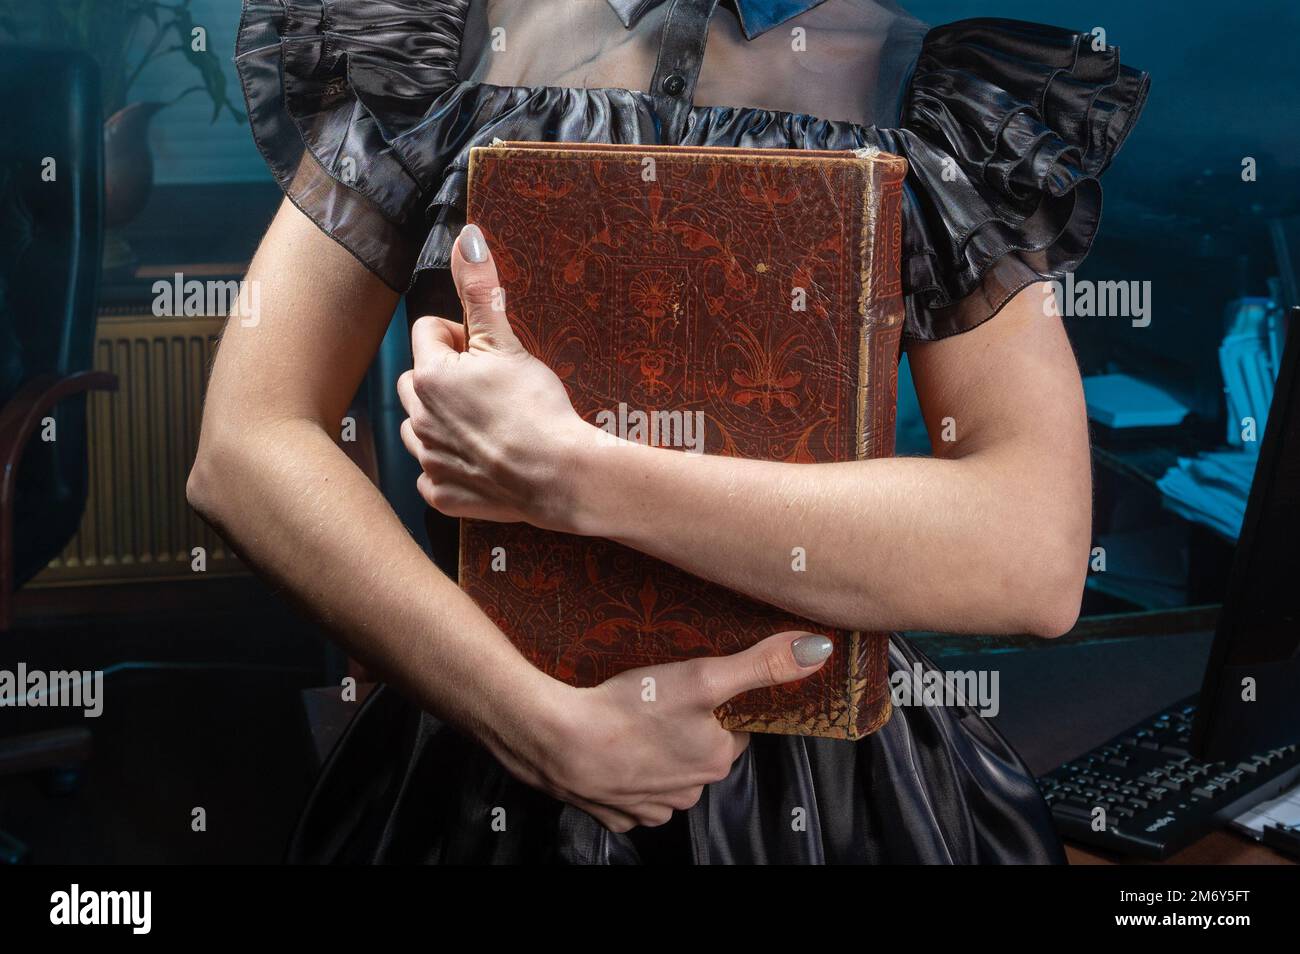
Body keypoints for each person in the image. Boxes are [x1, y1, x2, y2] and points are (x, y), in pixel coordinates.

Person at [189, 0, 1149, 862]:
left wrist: (574, 475)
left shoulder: (933, 100)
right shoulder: (441, 43)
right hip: (484, 750)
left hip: (837, 797)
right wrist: (540, 724)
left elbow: (1036, 553)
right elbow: (246, 447)